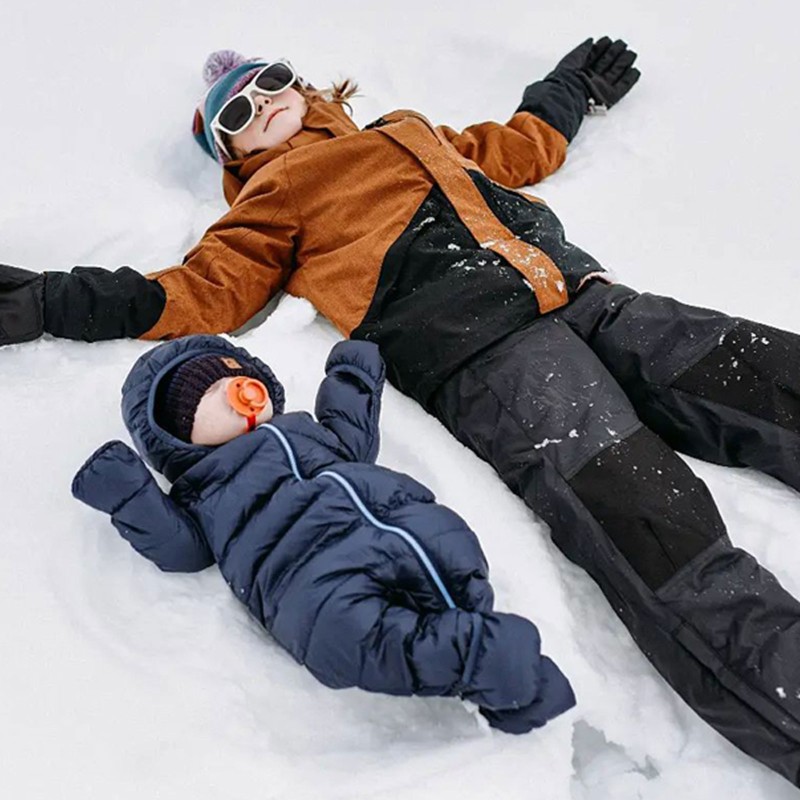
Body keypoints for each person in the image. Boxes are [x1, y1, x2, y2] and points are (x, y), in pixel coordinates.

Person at [3, 36, 800, 783]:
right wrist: (50, 301)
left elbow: (521, 145)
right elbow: (195, 292)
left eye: (270, 82)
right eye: (235, 114)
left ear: (307, 88)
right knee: (651, 523)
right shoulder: (273, 197)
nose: (261, 104)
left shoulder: (409, 131)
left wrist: (571, 89)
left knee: (771, 376)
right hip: (489, 356)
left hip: (588, 299)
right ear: (233, 158)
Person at [71, 334, 576, 733]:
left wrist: (351, 376)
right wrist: (128, 494)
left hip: (405, 527)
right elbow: (181, 549)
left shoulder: (308, 432)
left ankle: (487, 658)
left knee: (452, 562)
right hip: (316, 587)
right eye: (209, 396)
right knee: (360, 637)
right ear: (179, 437)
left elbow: (352, 439)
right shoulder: (201, 492)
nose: (238, 395)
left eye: (240, 381)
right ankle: (491, 663)